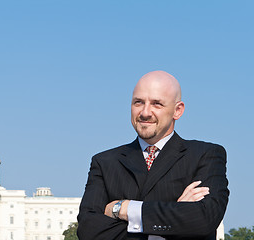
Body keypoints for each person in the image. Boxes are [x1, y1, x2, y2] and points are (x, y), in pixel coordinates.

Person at [77, 71, 229, 240]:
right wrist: (176, 215)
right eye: (138, 102)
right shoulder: (105, 162)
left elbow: (205, 218)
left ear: (177, 110)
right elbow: (88, 230)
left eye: (157, 104)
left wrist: (124, 209)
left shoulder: (205, 155)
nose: (145, 112)